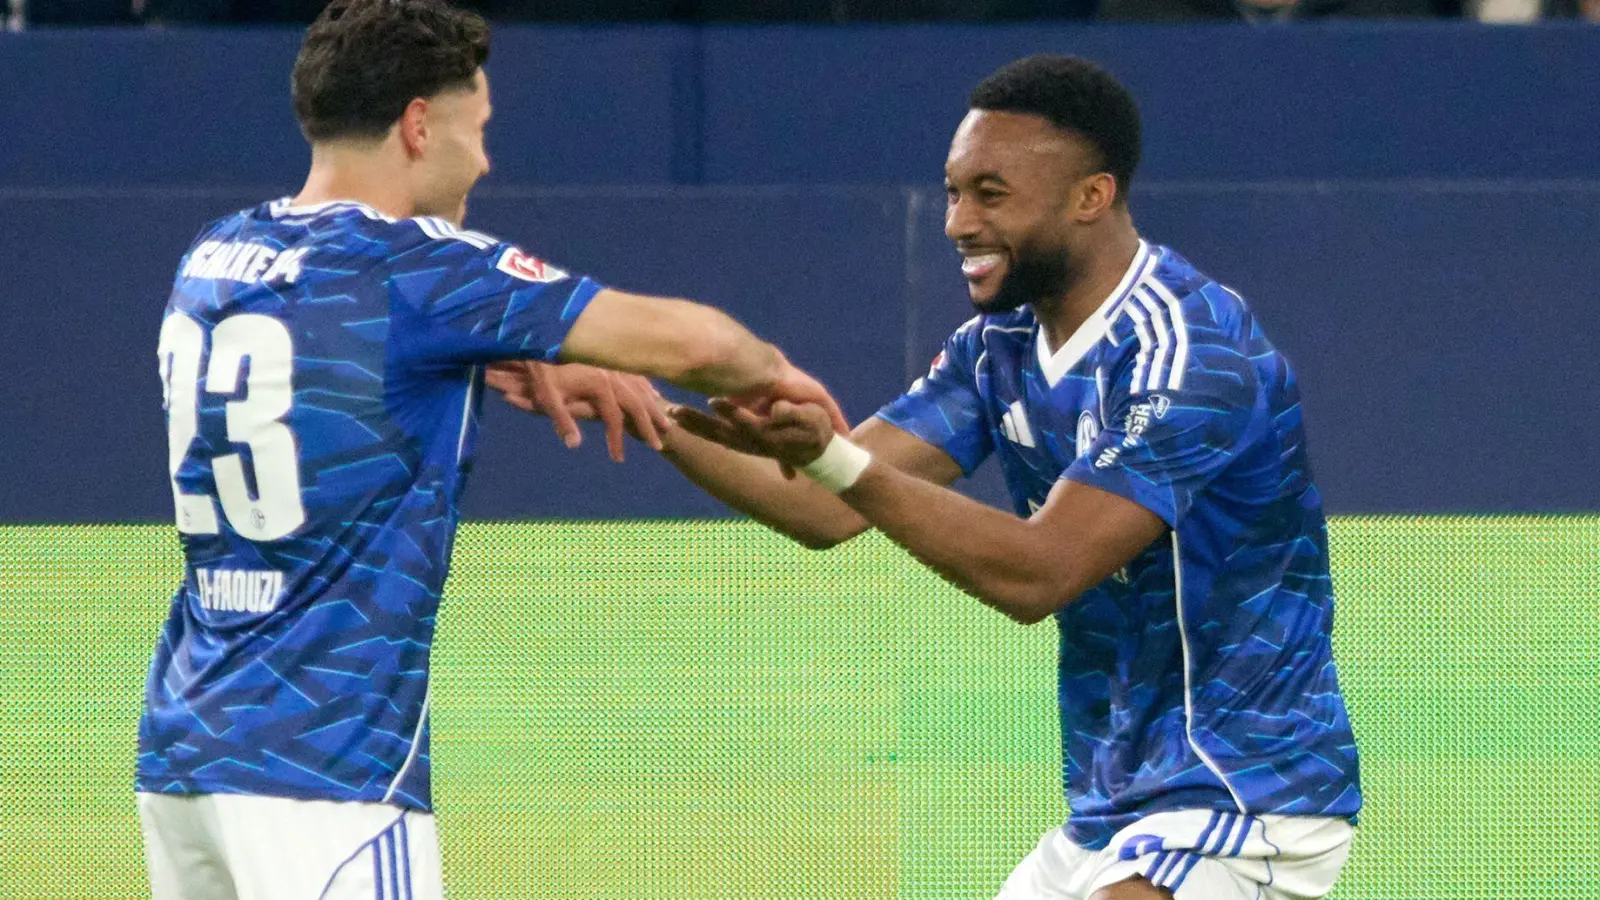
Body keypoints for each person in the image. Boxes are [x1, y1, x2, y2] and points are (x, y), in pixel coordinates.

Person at [496, 54, 1362, 900]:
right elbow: (818, 507)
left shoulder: (1191, 352)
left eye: (991, 194)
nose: (956, 222)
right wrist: (643, 405)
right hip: (1112, 810)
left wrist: (833, 459)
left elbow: (1040, 572)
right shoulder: (1001, 345)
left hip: (1246, 792)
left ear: (1090, 197)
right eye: (954, 190)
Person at [136, 0, 844, 897]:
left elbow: (337, 355)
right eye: (479, 131)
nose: (487, 160)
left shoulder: (218, 252)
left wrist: (485, 353)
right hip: (331, 774)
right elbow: (696, 345)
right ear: (419, 126)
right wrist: (777, 378)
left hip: (185, 758)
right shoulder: (426, 265)